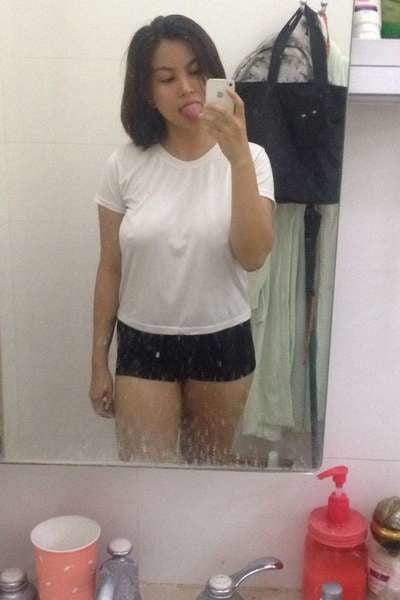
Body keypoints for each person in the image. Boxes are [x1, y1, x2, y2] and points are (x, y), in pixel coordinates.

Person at [89, 14, 275, 465]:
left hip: (222, 338)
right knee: (146, 478)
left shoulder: (252, 159)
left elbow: (252, 256)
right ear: (147, 93)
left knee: (209, 475)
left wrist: (238, 159)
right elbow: (110, 267)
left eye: (196, 72)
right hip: (142, 339)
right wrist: (98, 362)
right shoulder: (124, 164)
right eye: (167, 78)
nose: (188, 88)